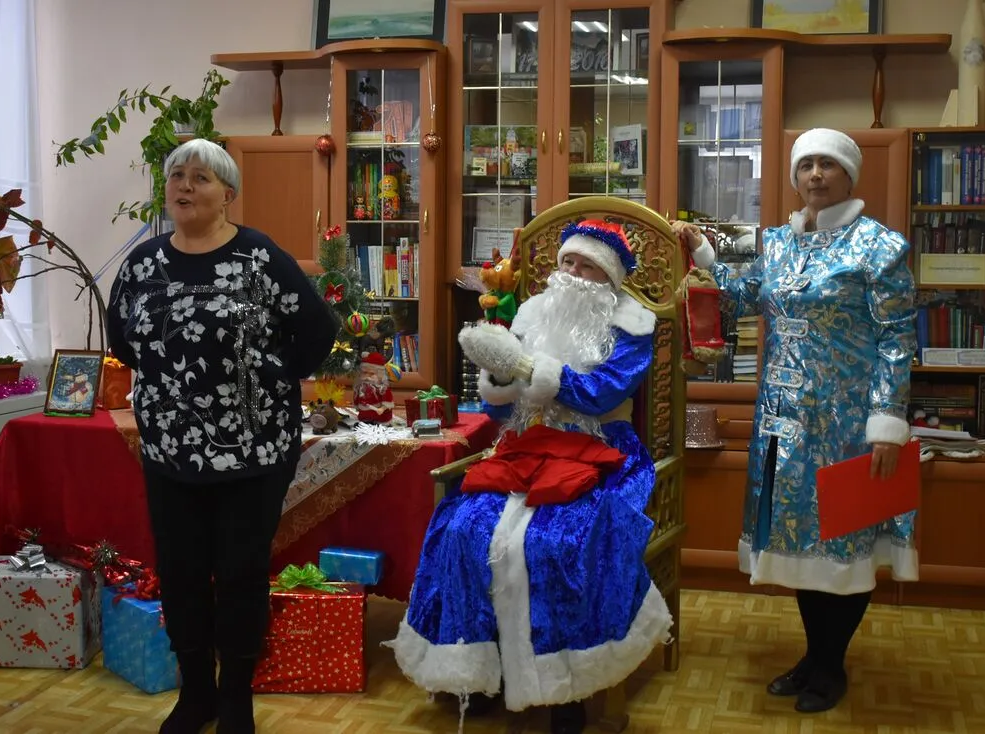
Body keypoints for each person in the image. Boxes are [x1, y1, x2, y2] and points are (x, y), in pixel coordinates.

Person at [388, 220, 672, 734]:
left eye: (588, 266)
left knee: (555, 543)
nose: (574, 274)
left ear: (609, 278)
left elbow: (601, 393)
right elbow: (498, 414)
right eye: (569, 263)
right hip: (525, 447)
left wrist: (531, 370)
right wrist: (498, 379)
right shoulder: (531, 315)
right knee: (462, 530)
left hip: (605, 452)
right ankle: (479, 672)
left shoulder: (632, 327)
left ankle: (568, 687)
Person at [680, 127, 917, 713]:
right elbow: (743, 290)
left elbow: (896, 337)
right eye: (805, 164)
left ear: (848, 175)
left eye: (827, 165)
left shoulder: (878, 247)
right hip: (782, 422)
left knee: (843, 543)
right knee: (800, 546)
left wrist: (888, 418)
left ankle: (830, 667)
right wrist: (705, 256)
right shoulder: (781, 244)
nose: (815, 175)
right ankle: (815, 657)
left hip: (847, 424)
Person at [106, 138, 338, 734]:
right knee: (180, 571)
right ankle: (196, 694)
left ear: (228, 194)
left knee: (238, 572)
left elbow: (316, 329)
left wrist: (270, 377)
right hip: (168, 450)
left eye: (200, 178)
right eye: (177, 176)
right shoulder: (142, 264)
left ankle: (236, 696)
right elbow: (123, 342)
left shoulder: (260, 258)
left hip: (253, 451)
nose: (185, 186)